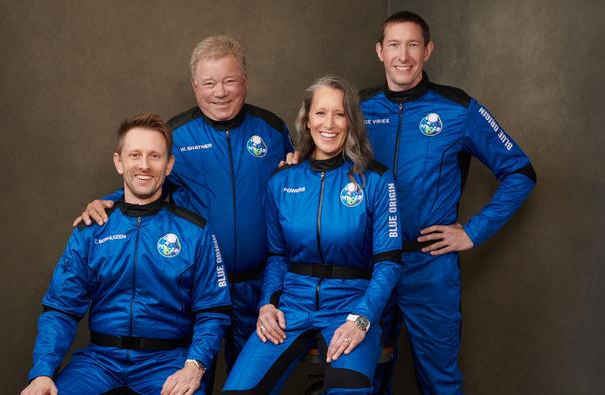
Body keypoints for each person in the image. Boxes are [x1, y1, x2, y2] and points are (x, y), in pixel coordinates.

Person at [74, 36, 293, 373]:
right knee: (191, 379)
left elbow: (297, 185)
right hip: (195, 292)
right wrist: (108, 201)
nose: (219, 92)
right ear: (195, 86)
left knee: (251, 383)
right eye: (209, 83)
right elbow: (147, 179)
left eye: (229, 81)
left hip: (257, 286)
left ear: (244, 81)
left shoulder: (272, 130)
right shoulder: (177, 134)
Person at [359, 11, 538, 394]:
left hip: (430, 268)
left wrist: (472, 231)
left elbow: (520, 173)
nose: (403, 55)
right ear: (379, 51)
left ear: (428, 51)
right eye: (394, 44)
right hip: (370, 266)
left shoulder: (458, 109)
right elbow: (320, 161)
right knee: (364, 377)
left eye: (412, 45)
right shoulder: (357, 109)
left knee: (440, 382)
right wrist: (294, 159)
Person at [21, 113, 231, 395]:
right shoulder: (91, 231)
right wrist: (42, 373)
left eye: (155, 156)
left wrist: (194, 366)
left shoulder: (195, 232)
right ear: (119, 162)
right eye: (135, 155)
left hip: (166, 362)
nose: (144, 165)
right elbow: (61, 308)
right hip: (99, 362)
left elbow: (213, 311)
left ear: (169, 165)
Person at [222, 76, 402, 394]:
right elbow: (277, 256)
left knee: (348, 390)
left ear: (352, 122)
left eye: (339, 113)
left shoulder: (375, 179)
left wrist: (361, 319)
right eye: (320, 113)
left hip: (349, 307)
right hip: (291, 306)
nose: (328, 124)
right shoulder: (282, 180)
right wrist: (267, 306)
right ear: (307, 121)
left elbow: (388, 263)